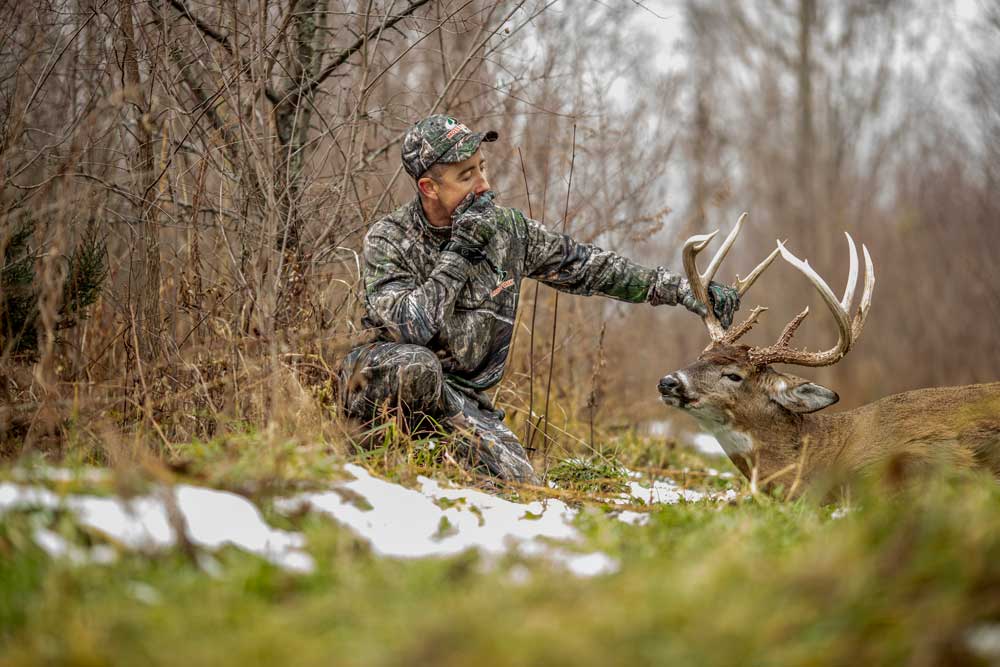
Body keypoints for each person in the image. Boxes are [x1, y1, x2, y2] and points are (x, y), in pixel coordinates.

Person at [339, 115, 740, 483]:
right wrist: (461, 250)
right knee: (415, 366)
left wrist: (682, 290)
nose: (484, 185)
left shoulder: (506, 231)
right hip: (386, 378)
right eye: (466, 176)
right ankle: (372, 471)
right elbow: (412, 327)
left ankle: (437, 458)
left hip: (461, 396)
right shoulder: (389, 238)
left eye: (482, 167)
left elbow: (586, 266)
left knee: (519, 482)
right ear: (429, 187)